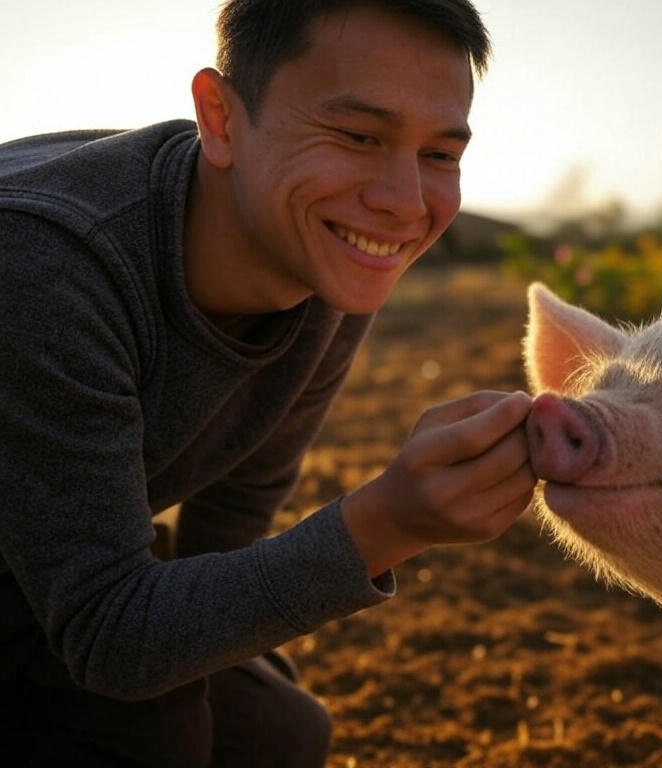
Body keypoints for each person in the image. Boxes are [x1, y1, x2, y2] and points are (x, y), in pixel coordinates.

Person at [0, 1, 536, 765]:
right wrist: (390, 522)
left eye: (440, 155)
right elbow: (112, 637)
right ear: (220, 117)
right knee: (160, 732)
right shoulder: (46, 263)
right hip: (58, 592)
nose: (405, 203)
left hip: (48, 573)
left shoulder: (324, 252)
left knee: (279, 731)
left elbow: (235, 511)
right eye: (358, 136)